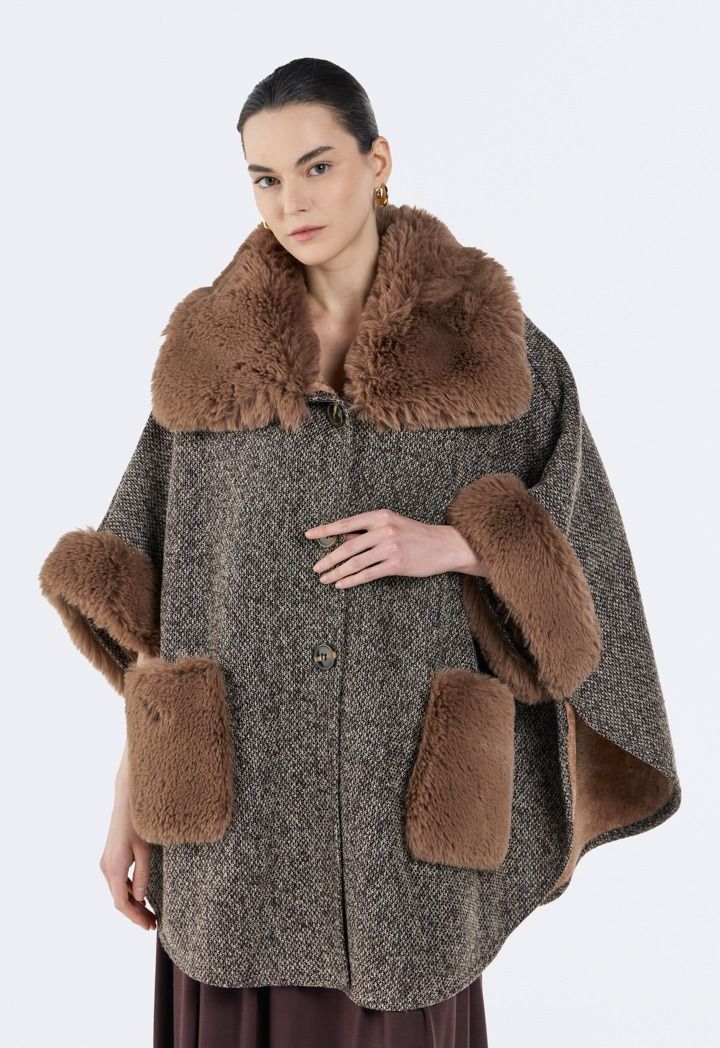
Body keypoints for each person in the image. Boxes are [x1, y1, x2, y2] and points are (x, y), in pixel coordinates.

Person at [38, 57, 681, 1048]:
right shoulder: (210, 361)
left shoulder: (497, 356)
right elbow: (163, 609)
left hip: (409, 829)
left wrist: (455, 544)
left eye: (317, 166)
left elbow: (586, 576)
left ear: (377, 162)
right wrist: (132, 795)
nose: (290, 202)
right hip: (234, 831)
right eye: (264, 178)